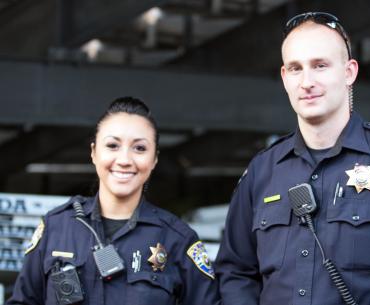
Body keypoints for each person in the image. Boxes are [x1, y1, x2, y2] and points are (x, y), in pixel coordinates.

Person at [215, 12, 370, 305]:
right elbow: (235, 272)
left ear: (349, 72)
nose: (307, 81)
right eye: (295, 68)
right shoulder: (261, 171)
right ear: (284, 78)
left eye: (320, 65)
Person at [7, 97, 220, 305]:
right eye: (112, 145)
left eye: (139, 148)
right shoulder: (56, 228)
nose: (125, 160)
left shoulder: (178, 240)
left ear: (154, 159)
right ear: (94, 153)